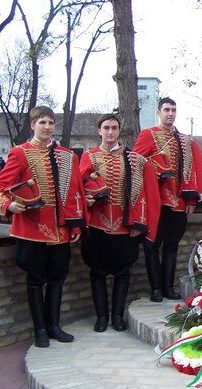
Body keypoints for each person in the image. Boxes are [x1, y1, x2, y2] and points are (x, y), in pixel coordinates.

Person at [0, 106, 86, 347]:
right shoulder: (19, 153)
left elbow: (74, 191)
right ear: (33, 125)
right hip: (32, 230)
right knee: (35, 279)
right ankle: (40, 330)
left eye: (51, 123)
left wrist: (75, 225)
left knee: (57, 278)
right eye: (42, 122)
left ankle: (54, 325)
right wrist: (8, 205)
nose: (47, 127)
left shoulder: (66, 156)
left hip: (60, 230)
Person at [80, 114, 160, 332]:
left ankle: (117, 316)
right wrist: (86, 200)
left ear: (119, 131)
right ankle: (101, 317)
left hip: (125, 227)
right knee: (96, 272)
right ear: (99, 130)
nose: (110, 132)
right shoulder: (89, 157)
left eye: (114, 127)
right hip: (97, 225)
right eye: (106, 127)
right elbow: (79, 187)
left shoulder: (134, 159)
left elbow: (145, 194)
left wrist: (140, 223)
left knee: (123, 273)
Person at [133, 97, 202, 302]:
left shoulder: (185, 140)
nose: (170, 113)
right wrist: (153, 174)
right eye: (166, 109)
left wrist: (192, 201)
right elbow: (135, 164)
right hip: (155, 202)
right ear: (159, 112)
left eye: (173, 110)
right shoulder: (147, 135)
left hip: (178, 202)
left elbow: (192, 172)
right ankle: (156, 288)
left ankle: (168, 287)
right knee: (152, 245)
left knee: (171, 246)